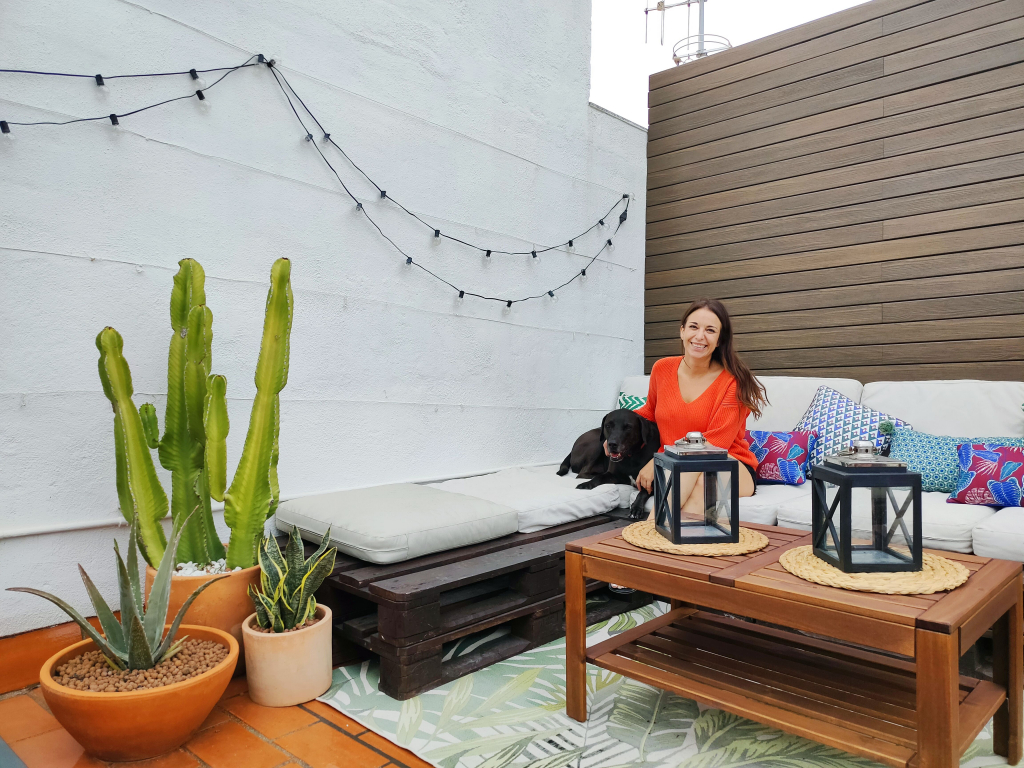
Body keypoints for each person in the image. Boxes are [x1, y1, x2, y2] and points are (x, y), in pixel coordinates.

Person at [633, 297, 767, 517]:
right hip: (677, 466)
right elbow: (648, 412)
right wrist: (612, 431)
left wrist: (658, 459)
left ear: (720, 340)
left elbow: (714, 445)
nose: (699, 336)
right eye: (693, 327)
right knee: (694, 477)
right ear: (682, 331)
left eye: (710, 330)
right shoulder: (662, 369)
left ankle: (649, 535)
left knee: (697, 464)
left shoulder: (732, 382)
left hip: (730, 466)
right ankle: (674, 546)